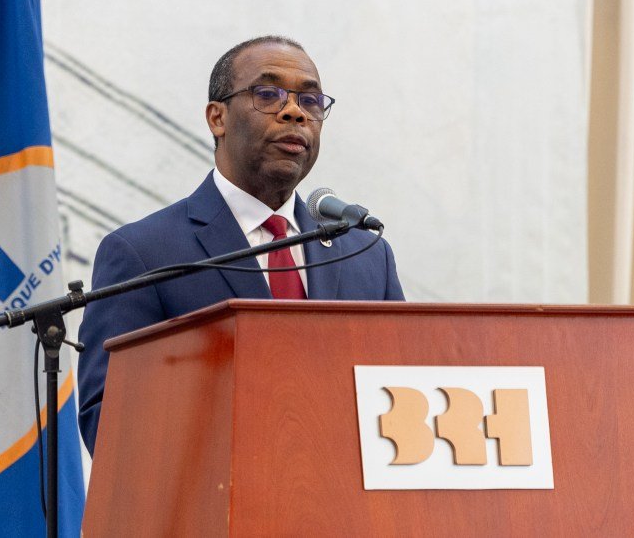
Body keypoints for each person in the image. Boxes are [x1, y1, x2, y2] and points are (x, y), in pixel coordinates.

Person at [77, 35, 404, 454]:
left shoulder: (366, 256)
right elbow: (110, 424)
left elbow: (401, 399)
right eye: (268, 94)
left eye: (310, 101)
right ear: (217, 118)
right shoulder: (144, 253)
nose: (294, 112)